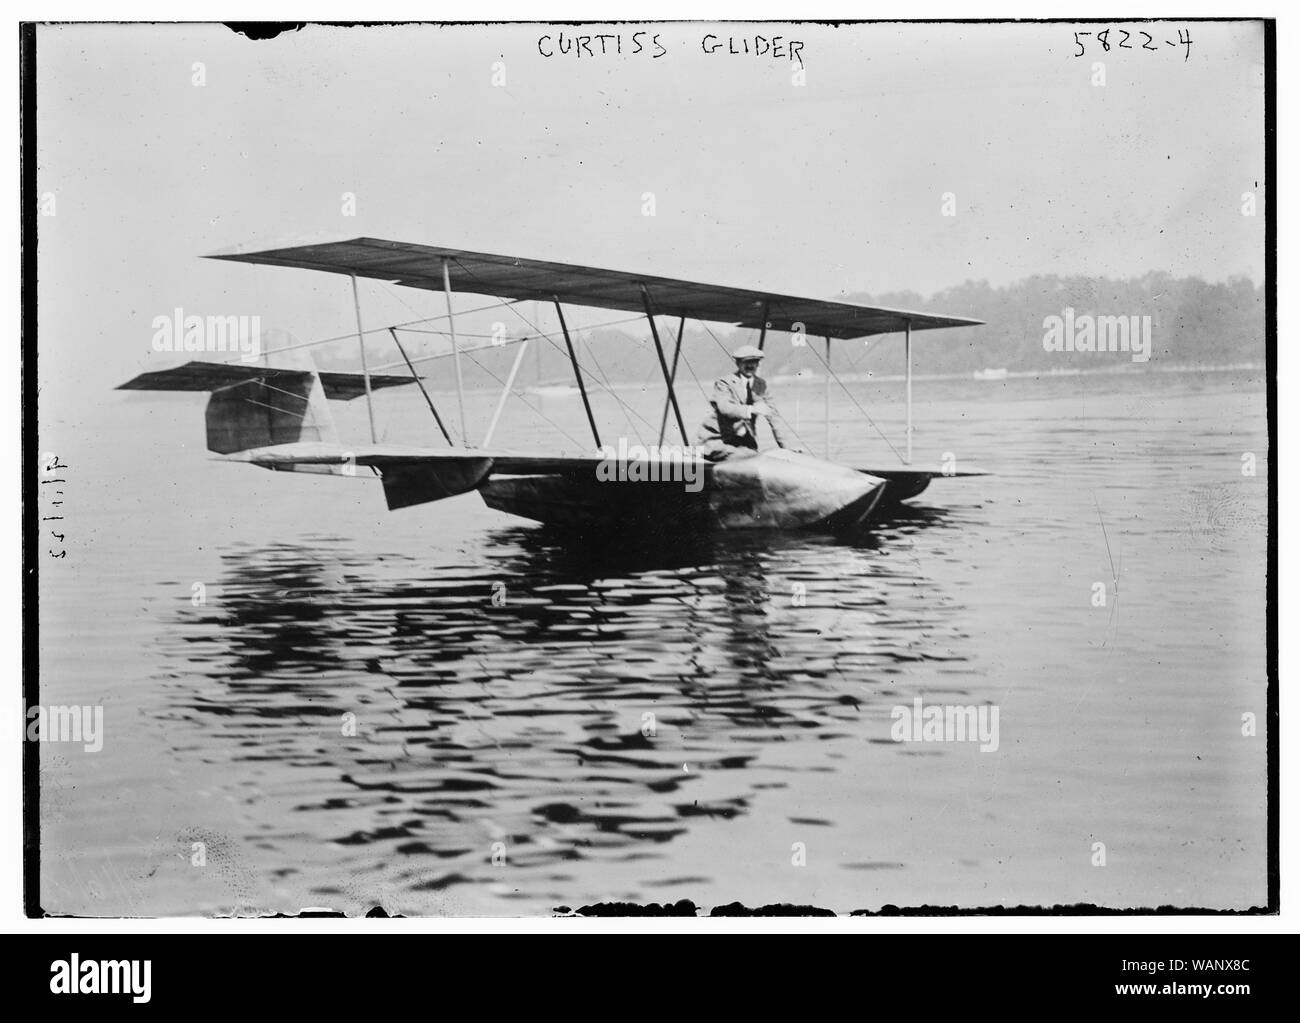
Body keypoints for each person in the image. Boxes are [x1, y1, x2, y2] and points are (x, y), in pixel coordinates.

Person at [695, 345, 803, 461]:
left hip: (744, 445)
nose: (750, 366)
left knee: (754, 456)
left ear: (758, 364)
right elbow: (725, 408)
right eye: (746, 362)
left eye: (754, 362)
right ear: (738, 363)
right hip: (716, 442)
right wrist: (751, 409)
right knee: (750, 458)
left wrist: (787, 449)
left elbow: (774, 418)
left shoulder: (761, 385)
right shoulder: (724, 383)